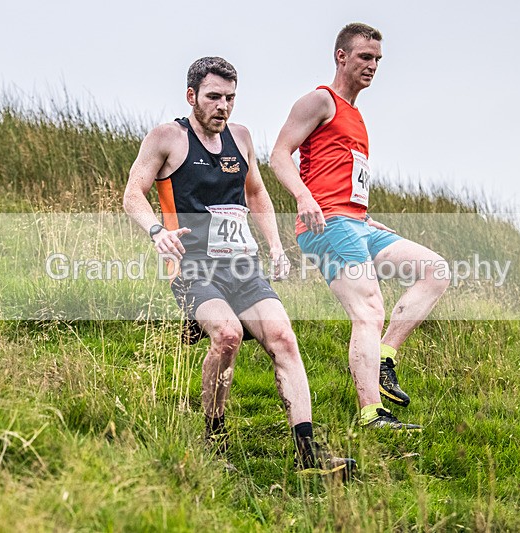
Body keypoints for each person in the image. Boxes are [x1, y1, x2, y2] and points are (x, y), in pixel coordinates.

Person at [123, 56, 355, 478]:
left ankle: (308, 453)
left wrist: (276, 247)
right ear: (191, 95)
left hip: (243, 267)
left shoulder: (241, 137)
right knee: (228, 335)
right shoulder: (167, 138)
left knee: (284, 337)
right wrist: (156, 231)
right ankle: (214, 438)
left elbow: (257, 194)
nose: (223, 106)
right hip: (192, 267)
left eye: (230, 98)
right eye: (214, 97)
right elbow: (133, 193)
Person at [270, 23, 450, 430]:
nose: (373, 66)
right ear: (341, 57)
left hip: (357, 222)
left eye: (378, 60)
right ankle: (372, 414)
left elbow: (344, 175)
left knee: (435, 270)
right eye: (365, 57)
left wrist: (364, 215)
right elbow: (279, 154)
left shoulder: (357, 116)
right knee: (369, 309)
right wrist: (303, 198)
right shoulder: (321, 100)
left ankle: (384, 356)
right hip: (327, 223)